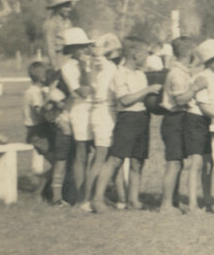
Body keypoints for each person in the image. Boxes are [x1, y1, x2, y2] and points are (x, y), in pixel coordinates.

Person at [92, 36, 162, 212]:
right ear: (135, 53)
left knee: (138, 161)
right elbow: (124, 100)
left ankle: (133, 200)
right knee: (116, 159)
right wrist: (148, 90)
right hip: (127, 119)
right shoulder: (120, 74)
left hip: (142, 118)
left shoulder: (140, 74)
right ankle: (97, 199)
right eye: (145, 53)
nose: (147, 57)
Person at [79, 33, 123, 212]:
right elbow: (99, 53)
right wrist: (104, 46)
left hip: (106, 111)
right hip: (103, 111)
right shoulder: (102, 63)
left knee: (107, 156)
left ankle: (106, 196)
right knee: (100, 157)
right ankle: (87, 200)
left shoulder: (105, 65)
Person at [185, 38, 214, 214]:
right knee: (197, 162)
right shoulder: (202, 77)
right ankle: (192, 203)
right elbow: (203, 106)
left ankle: (208, 198)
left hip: (207, 121)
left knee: (208, 161)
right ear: (210, 61)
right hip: (196, 120)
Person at [159, 36, 197, 213]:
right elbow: (181, 99)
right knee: (173, 163)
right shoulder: (177, 73)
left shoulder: (182, 71)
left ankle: (173, 201)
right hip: (174, 118)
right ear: (189, 52)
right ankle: (166, 204)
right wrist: (196, 88)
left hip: (179, 119)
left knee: (178, 162)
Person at [58, 27, 95, 203]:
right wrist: (85, 69)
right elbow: (83, 92)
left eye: (85, 46)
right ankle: (81, 197)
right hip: (80, 111)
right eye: (79, 46)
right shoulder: (68, 67)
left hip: (96, 109)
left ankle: (92, 192)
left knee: (98, 152)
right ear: (71, 49)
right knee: (81, 153)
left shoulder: (92, 62)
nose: (84, 49)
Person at [22, 61, 52, 197]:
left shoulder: (31, 90)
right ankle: (39, 191)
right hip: (38, 132)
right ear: (43, 78)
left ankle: (46, 189)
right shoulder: (35, 93)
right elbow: (39, 111)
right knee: (60, 163)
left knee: (60, 162)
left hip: (37, 131)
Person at [42, 0, 76, 70]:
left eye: (69, 6)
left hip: (71, 60)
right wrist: (55, 66)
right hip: (59, 61)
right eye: (66, 7)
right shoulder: (51, 24)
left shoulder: (68, 22)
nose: (69, 9)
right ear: (57, 7)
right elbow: (50, 48)